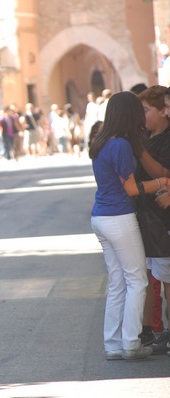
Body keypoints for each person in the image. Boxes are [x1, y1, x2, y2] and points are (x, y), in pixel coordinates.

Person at [89, 91, 169, 360]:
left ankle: (113, 343)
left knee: (117, 282)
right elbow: (132, 190)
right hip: (119, 218)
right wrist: (162, 184)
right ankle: (132, 342)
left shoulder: (101, 141)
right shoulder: (121, 145)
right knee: (137, 280)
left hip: (100, 216)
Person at [135, 85, 170, 350]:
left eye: (146, 110)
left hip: (162, 219)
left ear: (163, 111)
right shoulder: (145, 135)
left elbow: (162, 172)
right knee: (146, 277)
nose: (142, 115)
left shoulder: (165, 138)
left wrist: (139, 150)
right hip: (144, 216)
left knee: (166, 277)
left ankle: (166, 330)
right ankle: (148, 330)